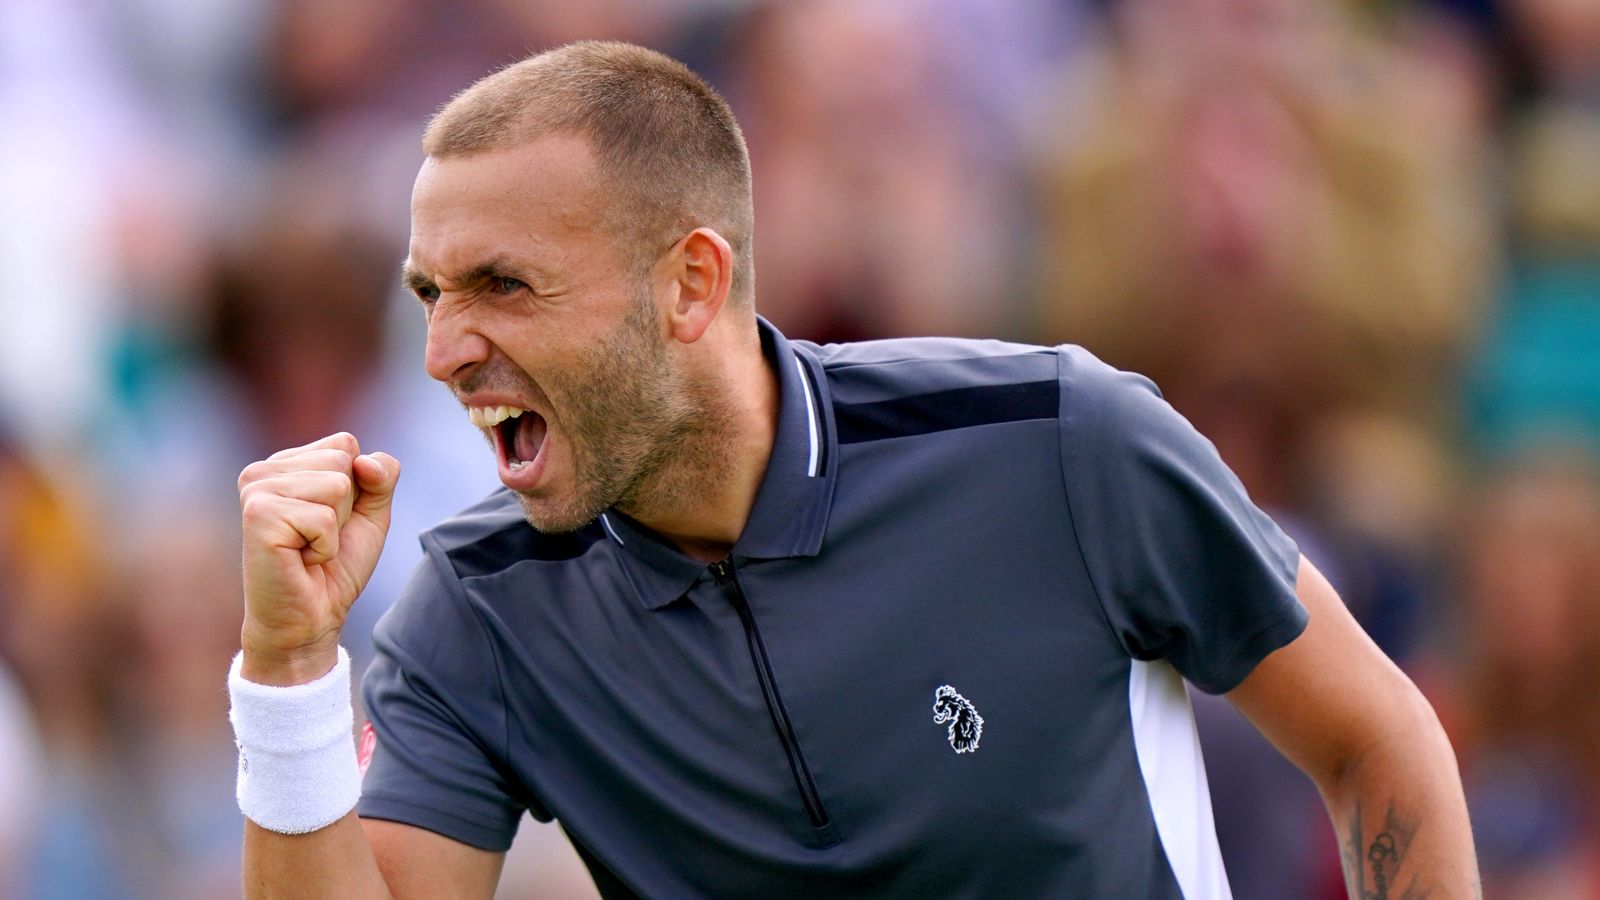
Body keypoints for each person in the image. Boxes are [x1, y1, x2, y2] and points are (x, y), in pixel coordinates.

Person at [229, 41, 1480, 899]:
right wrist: (288, 679)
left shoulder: (1058, 439)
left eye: (502, 285)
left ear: (690, 285)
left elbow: (1373, 739)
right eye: (431, 294)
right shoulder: (478, 606)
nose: (445, 352)